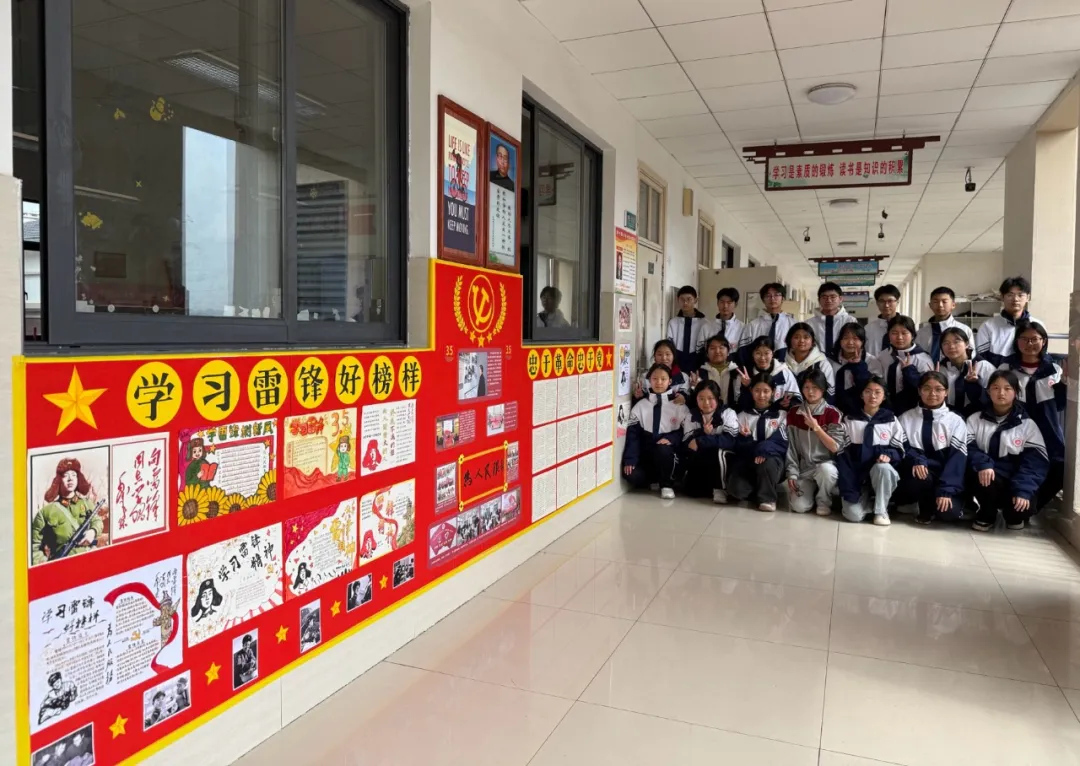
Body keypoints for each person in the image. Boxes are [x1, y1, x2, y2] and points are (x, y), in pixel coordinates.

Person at [967, 370, 1050, 532]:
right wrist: (983, 464)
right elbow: (968, 447)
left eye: (1007, 388)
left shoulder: (1027, 425)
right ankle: (987, 513)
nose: (1001, 393)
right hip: (989, 479)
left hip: (1015, 481)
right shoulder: (975, 419)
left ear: (1016, 392)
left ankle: (1012, 514)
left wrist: (1023, 490)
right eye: (996, 388)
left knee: (1020, 511)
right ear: (988, 391)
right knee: (980, 474)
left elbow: (1035, 463)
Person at [998, 319, 1066, 509]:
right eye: (1024, 339)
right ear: (1016, 341)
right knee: (1015, 464)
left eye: (1035, 339)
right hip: (1014, 427)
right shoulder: (1007, 368)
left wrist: (1064, 385)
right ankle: (1012, 503)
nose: (1029, 344)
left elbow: (1060, 406)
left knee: (1061, 467)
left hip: (1047, 430)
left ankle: (1032, 506)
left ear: (1043, 341)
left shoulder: (1054, 369)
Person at [898, 371, 968, 525]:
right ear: (919, 391)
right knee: (919, 477)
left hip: (946, 477)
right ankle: (924, 507)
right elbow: (902, 449)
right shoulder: (905, 418)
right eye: (927, 388)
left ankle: (953, 500)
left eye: (938, 389)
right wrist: (917, 459)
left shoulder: (955, 421)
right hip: (919, 475)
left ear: (946, 392)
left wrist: (946, 491)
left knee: (949, 513)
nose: (932, 394)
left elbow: (956, 461)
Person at [836, 376, 906, 526]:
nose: (872, 396)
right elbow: (843, 456)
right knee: (853, 516)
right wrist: (849, 487)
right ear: (862, 395)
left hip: (879, 474)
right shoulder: (850, 419)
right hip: (856, 476)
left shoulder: (891, 420)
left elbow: (899, 450)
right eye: (868, 391)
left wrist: (888, 455)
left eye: (877, 392)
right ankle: (870, 503)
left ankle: (881, 510)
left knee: (884, 468)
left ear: (884, 396)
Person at [622, 363, 689, 500]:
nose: (659, 382)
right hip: (648, 456)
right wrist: (630, 460)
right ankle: (653, 479)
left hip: (670, 454)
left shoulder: (679, 405)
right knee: (630, 474)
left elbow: (686, 432)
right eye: (655, 379)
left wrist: (671, 439)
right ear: (649, 381)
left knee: (662, 448)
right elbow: (633, 436)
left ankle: (666, 485)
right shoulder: (640, 406)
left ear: (670, 381)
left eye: (663, 379)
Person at [785, 370, 843, 515]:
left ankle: (824, 500)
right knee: (799, 507)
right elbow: (791, 447)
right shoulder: (794, 413)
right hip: (804, 470)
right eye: (806, 387)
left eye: (815, 387)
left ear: (823, 389)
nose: (810, 392)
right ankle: (812, 490)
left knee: (826, 471)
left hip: (826, 466)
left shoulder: (832, 413)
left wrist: (816, 428)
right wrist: (792, 473)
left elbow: (835, 447)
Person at [728, 373, 789, 512]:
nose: (761, 395)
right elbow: (737, 445)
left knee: (766, 463)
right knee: (735, 490)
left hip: (773, 462)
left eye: (766, 391)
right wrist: (747, 439)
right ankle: (760, 488)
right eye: (757, 390)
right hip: (749, 461)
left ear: (773, 392)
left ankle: (767, 498)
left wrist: (763, 451)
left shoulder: (781, 415)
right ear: (751, 391)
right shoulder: (742, 415)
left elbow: (781, 442)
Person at [30, 458, 104, 565]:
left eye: (74, 475)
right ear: (59, 480)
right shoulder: (45, 512)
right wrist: (47, 565)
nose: (70, 479)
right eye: (66, 475)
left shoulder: (87, 504)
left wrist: (93, 531)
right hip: (62, 566)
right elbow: (34, 547)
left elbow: (97, 521)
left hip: (88, 562)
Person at [681, 380, 738, 503]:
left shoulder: (728, 413)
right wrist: (703, 433)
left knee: (718, 452)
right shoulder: (691, 415)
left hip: (724, 458)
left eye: (710, 398)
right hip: (702, 457)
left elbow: (729, 440)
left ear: (718, 398)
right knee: (691, 491)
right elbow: (689, 444)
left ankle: (720, 488)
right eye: (701, 398)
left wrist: (702, 440)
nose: (706, 403)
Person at [869, 315, 933, 414]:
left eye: (904, 333)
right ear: (888, 335)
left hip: (913, 411)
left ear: (913, 335)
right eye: (894, 333)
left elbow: (926, 389)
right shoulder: (883, 356)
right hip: (885, 408)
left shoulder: (923, 359)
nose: (899, 337)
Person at [976, 276, 1039, 366]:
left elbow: (1041, 355)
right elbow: (982, 359)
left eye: (1020, 295)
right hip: (996, 373)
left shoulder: (1037, 325)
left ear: (1028, 298)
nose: (1015, 299)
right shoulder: (987, 326)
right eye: (1010, 295)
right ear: (1002, 297)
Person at [937, 326, 995, 417]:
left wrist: (974, 385)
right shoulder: (941, 369)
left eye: (956, 342)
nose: (951, 346)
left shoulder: (983, 366)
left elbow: (994, 395)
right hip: (949, 416)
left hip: (980, 416)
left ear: (967, 344)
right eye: (946, 343)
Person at [735, 336, 800, 411]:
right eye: (758, 353)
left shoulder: (784, 372)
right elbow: (739, 404)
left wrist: (789, 403)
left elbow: (796, 400)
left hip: (780, 415)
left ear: (772, 353)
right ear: (752, 354)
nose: (762, 358)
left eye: (766, 353)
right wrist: (746, 387)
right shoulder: (745, 375)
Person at [916, 286, 975, 364]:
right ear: (930, 305)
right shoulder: (921, 333)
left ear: (953, 305)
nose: (940, 305)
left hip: (955, 370)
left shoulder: (964, 330)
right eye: (935, 302)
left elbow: (971, 356)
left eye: (944, 301)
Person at [740, 283, 794, 363]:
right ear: (763, 300)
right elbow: (744, 352)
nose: (772, 298)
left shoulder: (792, 324)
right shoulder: (753, 325)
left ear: (783, 298)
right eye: (768, 296)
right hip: (758, 367)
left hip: (785, 367)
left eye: (776, 295)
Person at [830, 322, 871, 417]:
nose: (850, 342)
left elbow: (873, 387)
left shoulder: (871, 361)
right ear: (840, 341)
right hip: (835, 410)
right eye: (846, 338)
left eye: (855, 338)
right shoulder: (830, 361)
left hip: (863, 412)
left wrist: (859, 366)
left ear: (862, 342)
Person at [785, 322, 836, 398]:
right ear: (789, 340)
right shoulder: (782, 361)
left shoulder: (821, 363)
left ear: (812, 341)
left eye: (806, 337)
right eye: (796, 337)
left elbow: (830, 393)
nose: (802, 340)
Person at [808, 281, 857, 358]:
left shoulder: (850, 321)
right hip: (817, 362)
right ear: (819, 300)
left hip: (845, 361)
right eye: (824, 297)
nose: (829, 300)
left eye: (833, 297)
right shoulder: (809, 323)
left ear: (840, 299)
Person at [633, 339, 690, 404]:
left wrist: (683, 397)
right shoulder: (645, 377)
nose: (664, 358)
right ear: (654, 356)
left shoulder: (683, 378)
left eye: (667, 354)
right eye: (659, 354)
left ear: (673, 356)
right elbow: (642, 401)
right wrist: (639, 396)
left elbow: (687, 396)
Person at [667, 285, 707, 373]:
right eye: (682, 299)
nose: (685, 302)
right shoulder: (673, 323)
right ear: (678, 300)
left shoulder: (704, 323)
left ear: (695, 300)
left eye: (689, 299)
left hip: (699, 363)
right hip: (678, 363)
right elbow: (669, 346)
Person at [693, 334, 739, 409]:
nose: (717, 351)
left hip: (732, 412)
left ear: (728, 352)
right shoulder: (700, 373)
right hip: (708, 411)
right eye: (712, 348)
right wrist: (694, 388)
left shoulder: (737, 372)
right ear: (707, 353)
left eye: (721, 348)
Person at [695, 287, 743, 356]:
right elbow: (700, 353)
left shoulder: (742, 328)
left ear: (735, 304)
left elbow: (744, 354)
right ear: (717, 303)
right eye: (722, 302)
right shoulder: (706, 327)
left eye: (729, 302)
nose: (725, 306)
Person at [866, 284, 901, 357]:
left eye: (890, 301)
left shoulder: (907, 326)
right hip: (874, 364)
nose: (886, 305)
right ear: (877, 303)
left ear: (897, 302)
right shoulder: (868, 329)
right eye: (882, 301)